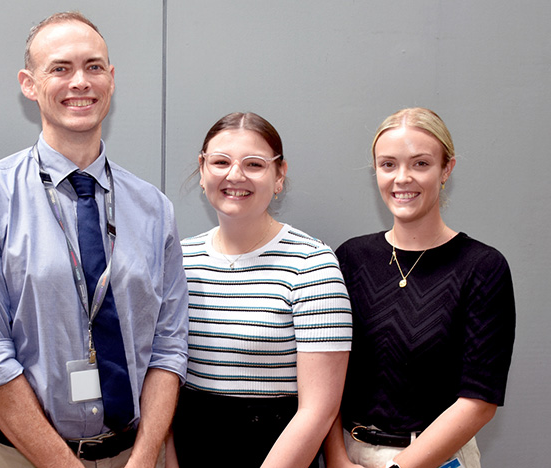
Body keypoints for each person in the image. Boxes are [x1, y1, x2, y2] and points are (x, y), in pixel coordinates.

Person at [0, 11, 188, 468]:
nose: (81, 81)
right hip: (22, 456)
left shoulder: (154, 209)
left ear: (111, 80)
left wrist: (146, 454)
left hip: (134, 454)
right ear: (29, 84)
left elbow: (168, 346)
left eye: (94, 66)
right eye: (60, 68)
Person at [323, 108, 516, 468]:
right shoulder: (351, 258)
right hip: (349, 456)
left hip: (436, 459)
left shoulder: (482, 267)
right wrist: (336, 458)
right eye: (388, 165)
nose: (402, 178)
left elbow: (479, 400)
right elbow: (326, 374)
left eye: (421, 164)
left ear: (446, 170)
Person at [167, 112, 352, 468]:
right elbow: (169, 386)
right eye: (221, 161)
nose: (235, 175)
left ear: (279, 175)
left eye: (254, 164)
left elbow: (319, 409)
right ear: (203, 170)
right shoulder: (179, 258)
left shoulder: (312, 264)